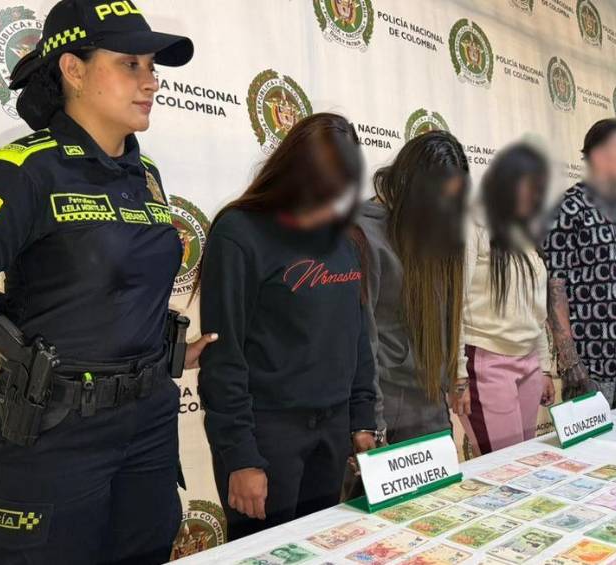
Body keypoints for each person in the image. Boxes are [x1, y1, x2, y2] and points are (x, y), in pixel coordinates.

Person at [0, 1, 216, 563]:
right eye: (130, 64)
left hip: (148, 420)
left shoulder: (146, 174)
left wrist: (162, 351)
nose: (150, 81)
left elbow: (112, 286)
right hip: (52, 429)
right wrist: (8, 332)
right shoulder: (23, 171)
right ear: (73, 70)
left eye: (152, 66)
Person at [198, 113, 378, 541]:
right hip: (269, 434)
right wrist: (241, 456)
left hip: (332, 431)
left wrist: (362, 419)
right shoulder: (240, 231)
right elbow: (224, 354)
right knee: (267, 551)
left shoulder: (346, 238)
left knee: (316, 548)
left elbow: (355, 337)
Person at [356, 130, 470, 445]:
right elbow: (362, 337)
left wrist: (453, 379)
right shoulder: (362, 234)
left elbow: (448, 314)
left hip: (429, 401)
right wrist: (370, 421)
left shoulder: (436, 231)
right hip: (384, 404)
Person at [543, 118, 616, 407]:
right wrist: (569, 360)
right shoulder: (568, 207)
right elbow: (553, 286)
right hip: (592, 367)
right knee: (591, 452)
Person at [458, 143, 555, 456]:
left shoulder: (526, 236)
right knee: (501, 466)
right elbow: (455, 302)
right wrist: (459, 373)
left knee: (522, 463)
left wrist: (543, 368)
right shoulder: (473, 227)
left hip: (528, 361)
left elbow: (536, 312)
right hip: (487, 360)